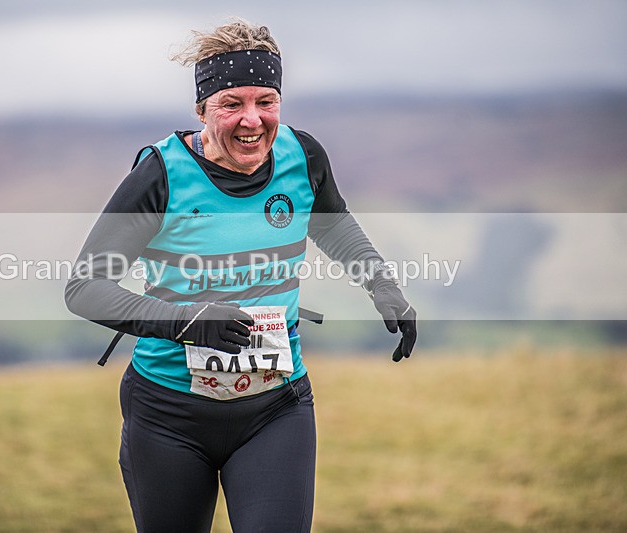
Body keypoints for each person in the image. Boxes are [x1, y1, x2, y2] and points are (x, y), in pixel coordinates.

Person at [65, 19, 416, 533]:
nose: (252, 120)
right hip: (167, 414)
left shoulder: (302, 157)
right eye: (232, 104)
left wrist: (382, 285)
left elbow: (333, 224)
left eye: (266, 101)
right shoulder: (161, 174)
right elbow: (85, 288)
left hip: (276, 407)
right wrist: (187, 321)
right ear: (202, 110)